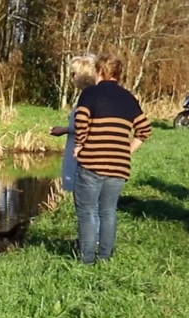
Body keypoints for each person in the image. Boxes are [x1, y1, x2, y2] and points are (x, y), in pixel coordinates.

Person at [71, 54, 152, 264]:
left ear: (99, 72)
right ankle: (105, 258)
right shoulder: (128, 97)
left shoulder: (90, 94)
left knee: (87, 211)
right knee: (108, 212)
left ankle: (87, 260)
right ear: (119, 74)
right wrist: (126, 150)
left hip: (91, 163)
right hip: (118, 166)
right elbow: (144, 130)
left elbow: (81, 121)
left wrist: (80, 145)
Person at [49, 55, 98, 193]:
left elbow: (88, 125)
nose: (72, 78)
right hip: (78, 149)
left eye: (74, 74)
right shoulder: (87, 96)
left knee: (85, 200)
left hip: (82, 153)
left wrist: (64, 130)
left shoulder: (89, 97)